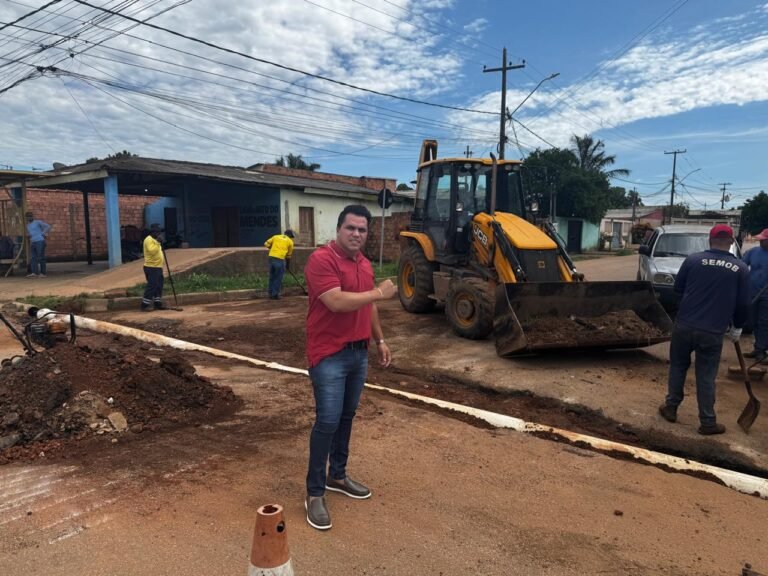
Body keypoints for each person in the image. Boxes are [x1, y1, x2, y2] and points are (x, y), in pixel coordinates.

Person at [303, 205, 397, 530]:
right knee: (327, 421)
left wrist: (380, 340)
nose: (357, 234)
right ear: (339, 228)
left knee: (346, 417)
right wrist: (379, 293)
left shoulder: (365, 264)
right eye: (351, 228)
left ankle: (337, 476)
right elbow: (336, 301)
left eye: (362, 230)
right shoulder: (322, 260)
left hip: (359, 354)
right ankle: (314, 493)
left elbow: (367, 306)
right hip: (329, 354)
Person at [658, 224, 750, 435]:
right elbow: (743, 304)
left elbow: (677, 289)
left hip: (684, 326)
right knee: (706, 376)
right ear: (731, 242)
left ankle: (671, 408)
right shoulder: (740, 268)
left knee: (678, 367)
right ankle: (708, 422)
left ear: (709, 240)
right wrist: (737, 326)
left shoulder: (693, 260)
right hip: (712, 331)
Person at [742, 228, 768, 362]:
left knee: (764, 322)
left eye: (764, 240)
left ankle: (761, 350)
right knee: (753, 322)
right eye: (761, 239)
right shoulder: (753, 252)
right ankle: (758, 347)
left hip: (766, 296)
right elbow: (742, 267)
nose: (761, 241)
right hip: (752, 292)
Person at [264, 229, 295, 299]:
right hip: (280, 259)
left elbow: (266, 243)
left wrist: (272, 249)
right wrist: (287, 265)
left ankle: (270, 293)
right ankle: (275, 294)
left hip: (271, 257)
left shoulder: (275, 237)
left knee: (272, 275)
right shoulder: (290, 242)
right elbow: (288, 256)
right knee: (278, 277)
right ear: (290, 235)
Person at [141, 224, 165, 311]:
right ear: (153, 232)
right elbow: (152, 251)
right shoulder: (148, 240)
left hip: (158, 266)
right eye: (158, 232)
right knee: (152, 285)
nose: (159, 234)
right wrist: (158, 242)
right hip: (151, 267)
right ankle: (144, 305)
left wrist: (159, 242)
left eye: (160, 232)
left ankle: (157, 303)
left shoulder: (155, 240)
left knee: (159, 285)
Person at [25, 211, 51, 278]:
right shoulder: (28, 225)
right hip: (33, 241)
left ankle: (43, 273)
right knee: (33, 258)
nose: (29, 218)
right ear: (26, 218)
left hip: (40, 241)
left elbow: (48, 226)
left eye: (30, 216)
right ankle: (34, 272)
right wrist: (29, 235)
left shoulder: (37, 222)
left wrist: (42, 233)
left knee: (41, 257)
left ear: (32, 216)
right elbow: (31, 232)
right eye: (28, 217)